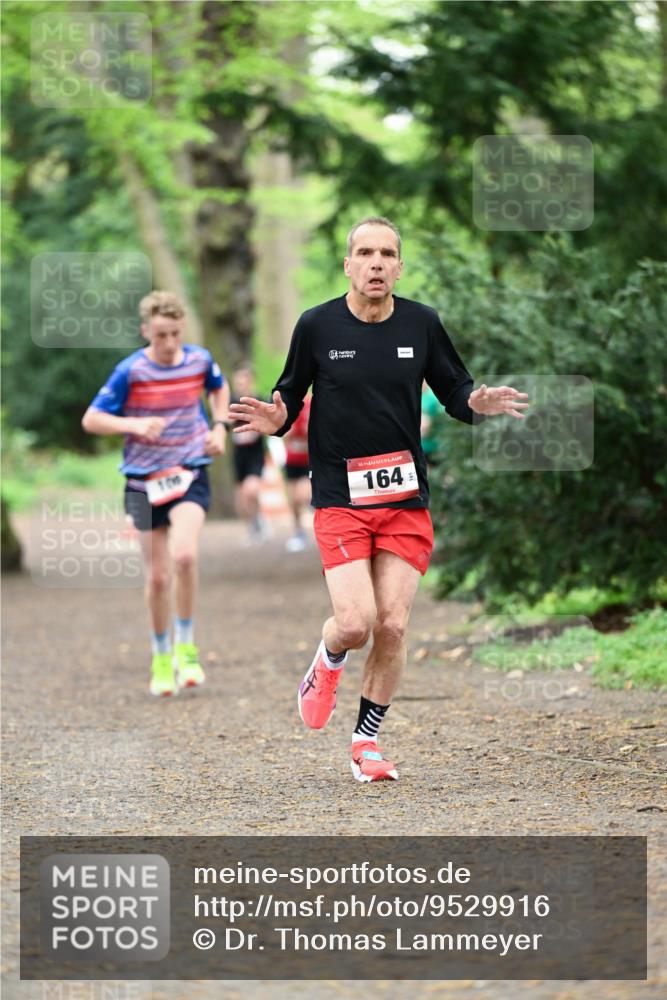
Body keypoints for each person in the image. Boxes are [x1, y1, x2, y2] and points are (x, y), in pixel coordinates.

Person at [230, 216, 529, 783]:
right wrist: (274, 418)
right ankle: (328, 657)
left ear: (398, 266)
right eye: (364, 253)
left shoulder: (422, 323)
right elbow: (288, 397)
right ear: (348, 264)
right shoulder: (316, 326)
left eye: (386, 254)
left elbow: (456, 391)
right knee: (356, 622)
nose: (375, 263)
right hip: (340, 496)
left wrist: (479, 403)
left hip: (404, 499)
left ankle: (365, 744)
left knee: (392, 625)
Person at [82, 291, 229, 697]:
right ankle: (161, 656)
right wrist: (133, 426)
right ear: (146, 330)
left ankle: (187, 647)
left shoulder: (199, 359)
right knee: (159, 576)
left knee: (185, 555)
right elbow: (91, 419)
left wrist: (218, 427)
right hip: (142, 483)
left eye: (175, 334)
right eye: (160, 335)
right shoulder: (131, 371)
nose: (168, 344)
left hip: (189, 472)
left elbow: (218, 387)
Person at [229, 366, 268, 543]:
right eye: (237, 383)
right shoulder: (231, 404)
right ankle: (252, 526)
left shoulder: (260, 402)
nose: (240, 386)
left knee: (250, 490)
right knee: (242, 499)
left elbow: (272, 427)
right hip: (239, 456)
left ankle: (259, 519)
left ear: (251, 382)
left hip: (256, 454)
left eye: (243, 383)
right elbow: (223, 424)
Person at [283, 394, 312, 552]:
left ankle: (313, 507)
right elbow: (283, 433)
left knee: (303, 495)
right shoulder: (287, 404)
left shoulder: (311, 404)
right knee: (293, 500)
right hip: (291, 460)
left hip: (307, 460)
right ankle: (298, 531)